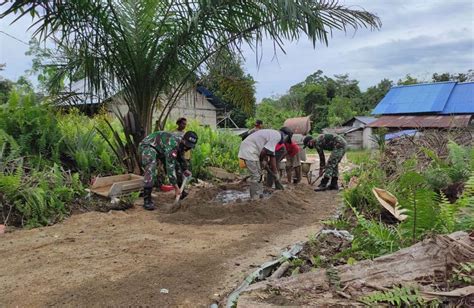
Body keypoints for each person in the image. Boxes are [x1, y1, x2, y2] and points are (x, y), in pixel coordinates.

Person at [139, 131, 198, 210]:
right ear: (183, 140)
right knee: (151, 168)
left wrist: (185, 169)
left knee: (177, 166)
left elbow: (180, 157)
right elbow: (170, 168)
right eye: (187, 145)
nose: (187, 148)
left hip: (161, 149)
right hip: (148, 146)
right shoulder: (172, 145)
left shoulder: (180, 142)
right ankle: (147, 200)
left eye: (190, 146)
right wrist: (175, 187)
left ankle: (181, 192)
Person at [238, 127, 293, 199]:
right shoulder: (277, 136)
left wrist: (276, 173)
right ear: (286, 136)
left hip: (252, 150)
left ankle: (260, 195)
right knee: (256, 176)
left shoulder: (274, 135)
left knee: (260, 175)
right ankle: (254, 198)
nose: (285, 142)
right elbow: (264, 151)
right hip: (250, 150)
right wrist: (262, 160)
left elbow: (272, 156)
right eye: (287, 140)